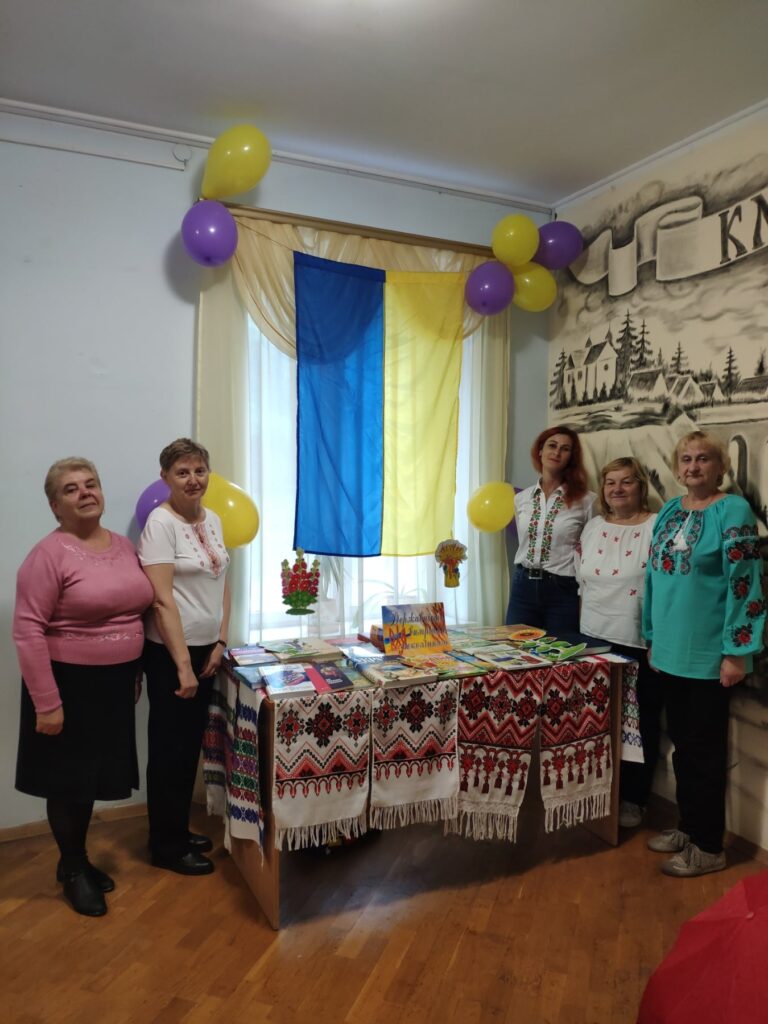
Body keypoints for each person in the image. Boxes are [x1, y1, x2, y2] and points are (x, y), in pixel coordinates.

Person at [13, 458, 153, 917]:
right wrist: (47, 703)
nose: (85, 493)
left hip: (113, 684)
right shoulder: (48, 555)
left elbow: (133, 613)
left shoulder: (123, 547)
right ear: (55, 506)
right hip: (67, 685)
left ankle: (76, 858)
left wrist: (133, 672)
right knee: (67, 780)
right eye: (71, 489)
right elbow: (27, 630)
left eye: (91, 484)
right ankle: (73, 869)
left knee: (90, 778)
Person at [643, 430, 765, 878]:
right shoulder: (671, 510)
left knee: (705, 755)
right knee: (682, 750)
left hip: (710, 657)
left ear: (720, 467)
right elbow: (653, 578)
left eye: (703, 459)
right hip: (669, 653)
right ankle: (689, 828)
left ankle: (709, 847)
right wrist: (651, 636)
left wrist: (737, 652)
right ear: (678, 468)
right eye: (686, 459)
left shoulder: (732, 511)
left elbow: (745, 583)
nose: (693, 466)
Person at [138, 438, 230, 875]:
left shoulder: (213, 519)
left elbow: (222, 580)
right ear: (165, 478)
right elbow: (161, 601)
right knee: (169, 751)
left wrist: (220, 641)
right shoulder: (161, 524)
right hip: (170, 655)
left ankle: (175, 829)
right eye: (182, 472)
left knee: (188, 747)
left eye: (199, 470)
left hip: (206, 650)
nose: (193, 480)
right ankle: (166, 847)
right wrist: (182, 666)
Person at [576, 457, 660, 829]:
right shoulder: (594, 526)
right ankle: (598, 791)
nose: (618, 489)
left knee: (639, 724)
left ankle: (634, 798)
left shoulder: (656, 525)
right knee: (596, 720)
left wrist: (657, 638)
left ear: (640, 486)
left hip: (637, 640)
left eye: (627, 481)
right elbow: (582, 584)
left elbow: (664, 585)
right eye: (611, 482)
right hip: (593, 639)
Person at [506, 425, 595, 633]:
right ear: (540, 451)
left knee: (562, 648)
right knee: (514, 646)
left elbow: (590, 550)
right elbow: (524, 542)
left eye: (565, 449)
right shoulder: (521, 498)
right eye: (552, 445)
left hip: (563, 588)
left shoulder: (587, 500)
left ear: (571, 457)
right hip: (523, 585)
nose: (557, 452)